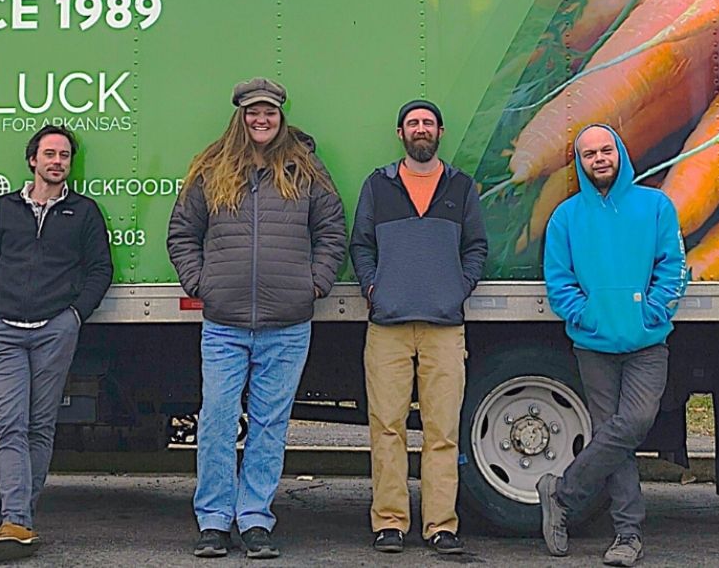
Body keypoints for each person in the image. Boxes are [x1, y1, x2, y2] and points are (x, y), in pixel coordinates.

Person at [167, 78, 346, 560]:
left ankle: (254, 518)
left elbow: (332, 232)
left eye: (268, 111)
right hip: (224, 323)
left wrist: (315, 284)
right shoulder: (212, 169)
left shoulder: (306, 170)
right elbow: (182, 232)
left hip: (287, 323)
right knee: (219, 422)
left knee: (270, 425)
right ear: (240, 117)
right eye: (252, 112)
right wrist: (200, 283)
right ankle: (213, 519)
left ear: (281, 116)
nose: (260, 119)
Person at [536, 125, 687, 567]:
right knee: (612, 436)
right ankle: (627, 534)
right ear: (580, 163)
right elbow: (558, 281)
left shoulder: (655, 206)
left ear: (620, 153)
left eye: (606, 151)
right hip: (593, 343)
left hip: (646, 342)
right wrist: (587, 314)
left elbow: (674, 266)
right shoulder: (566, 217)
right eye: (589, 154)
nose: (599, 159)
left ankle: (562, 493)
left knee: (634, 423)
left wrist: (652, 311)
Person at [0, 124, 114, 562]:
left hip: (55, 329)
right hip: (4, 331)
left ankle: (18, 520)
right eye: (49, 154)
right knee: (10, 425)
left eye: (64, 156)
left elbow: (100, 270)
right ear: (32, 160)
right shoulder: (5, 209)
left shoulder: (84, 212)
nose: (57, 161)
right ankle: (17, 518)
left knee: (39, 426)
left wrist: (73, 317)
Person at [349, 99, 488, 556]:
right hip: (387, 325)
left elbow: (476, 247)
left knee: (442, 431)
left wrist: (458, 288)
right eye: (413, 123)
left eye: (428, 123)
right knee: (386, 428)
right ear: (401, 133)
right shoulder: (379, 185)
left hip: (444, 327)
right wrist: (373, 289)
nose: (421, 129)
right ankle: (389, 523)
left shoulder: (461, 187)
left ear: (440, 132)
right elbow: (361, 244)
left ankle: (440, 527)